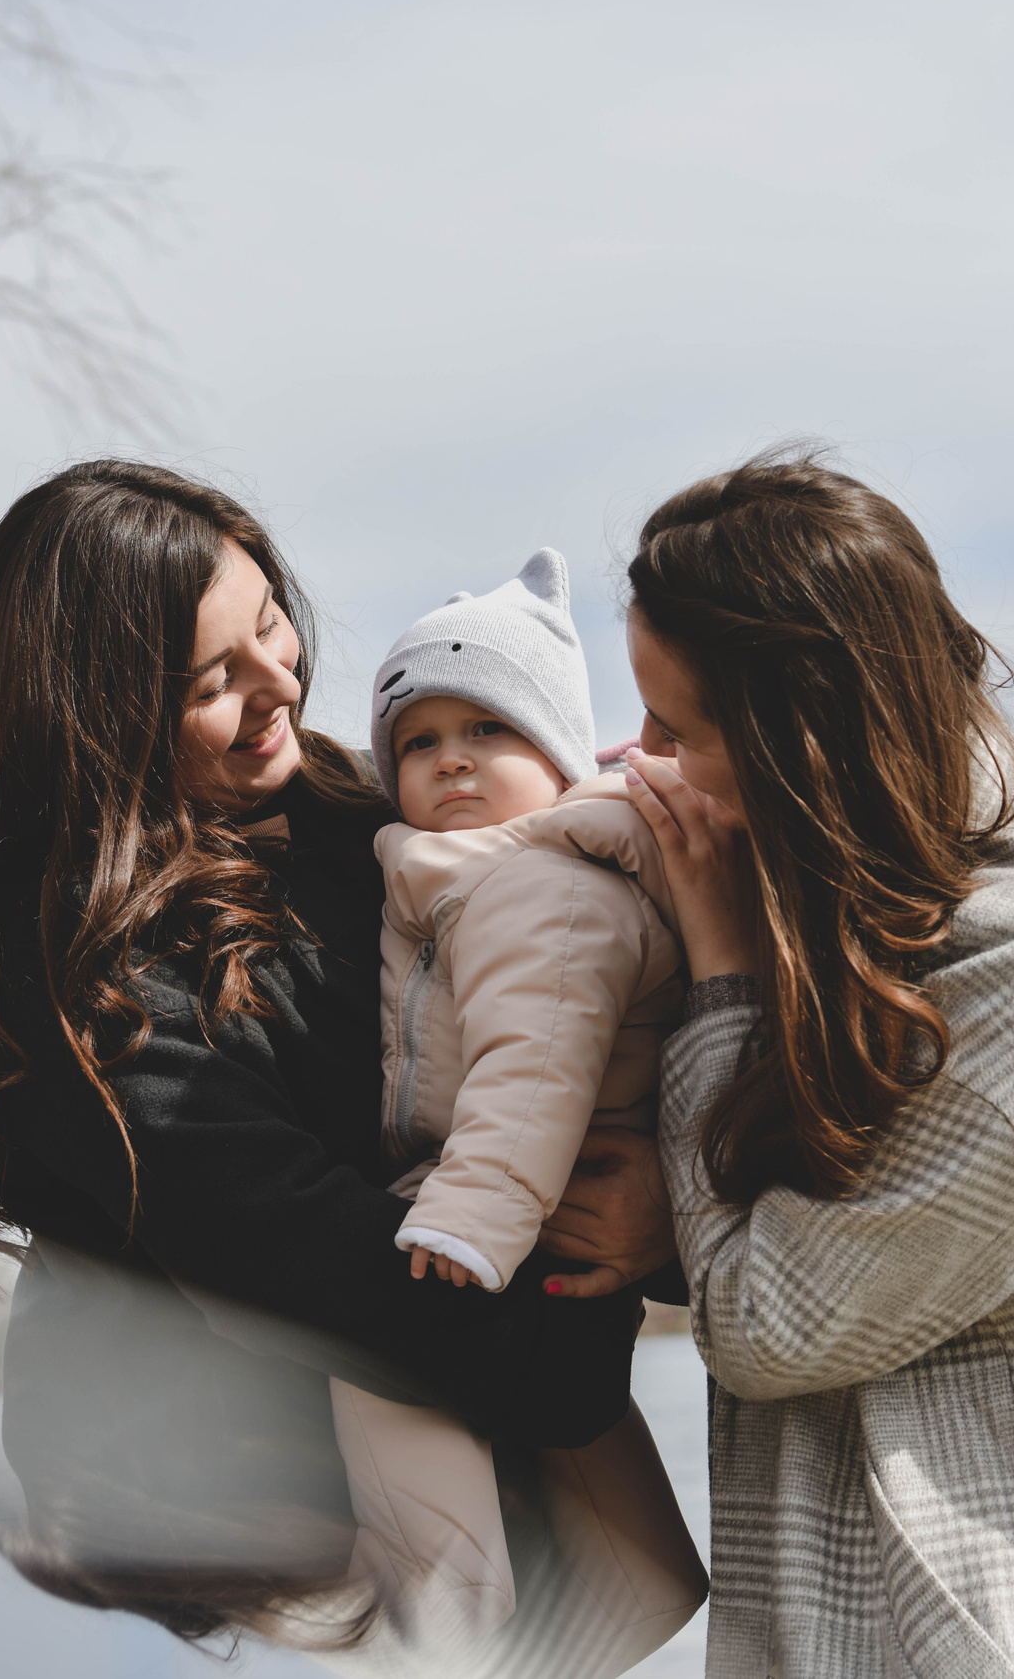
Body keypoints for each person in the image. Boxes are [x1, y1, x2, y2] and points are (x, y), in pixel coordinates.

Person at [0, 460, 661, 1668]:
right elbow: (304, 1261)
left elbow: (574, 1027)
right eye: (211, 683)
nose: (279, 684)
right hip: (244, 1537)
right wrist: (577, 1330)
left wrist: (656, 1219)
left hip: (473, 1451)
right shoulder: (79, 983)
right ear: (95, 717)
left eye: (272, 626)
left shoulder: (362, 820)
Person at [611, 450, 1014, 1677]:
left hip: (978, 1625)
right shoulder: (877, 837)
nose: (642, 756)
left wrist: (721, 968)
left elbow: (770, 1324)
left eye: (675, 729)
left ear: (796, 741)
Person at [327, 544, 705, 1667]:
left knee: (436, 1565)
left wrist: (465, 1222)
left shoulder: (538, 887)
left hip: (487, 1229)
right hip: (529, 1233)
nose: (452, 759)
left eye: (488, 728)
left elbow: (533, 1069)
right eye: (419, 741)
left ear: (557, 749)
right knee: (633, 1574)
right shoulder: (469, 881)